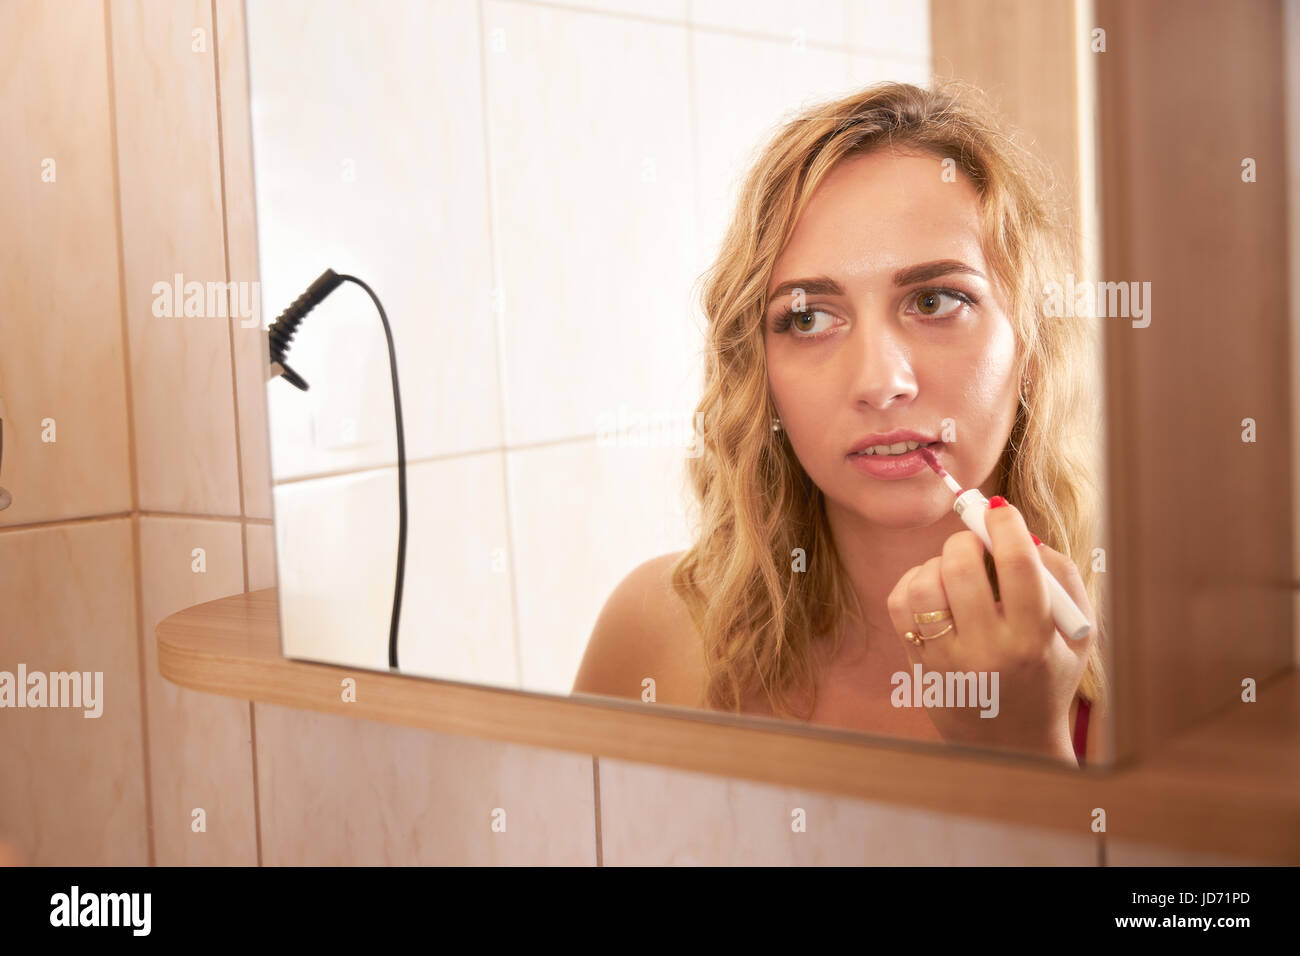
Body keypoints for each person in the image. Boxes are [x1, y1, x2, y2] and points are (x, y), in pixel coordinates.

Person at [573, 81, 1106, 767]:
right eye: (808, 317)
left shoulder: (1166, 660)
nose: (881, 382)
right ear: (759, 374)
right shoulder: (655, 630)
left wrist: (1027, 751)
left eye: (936, 300)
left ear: (1031, 344)